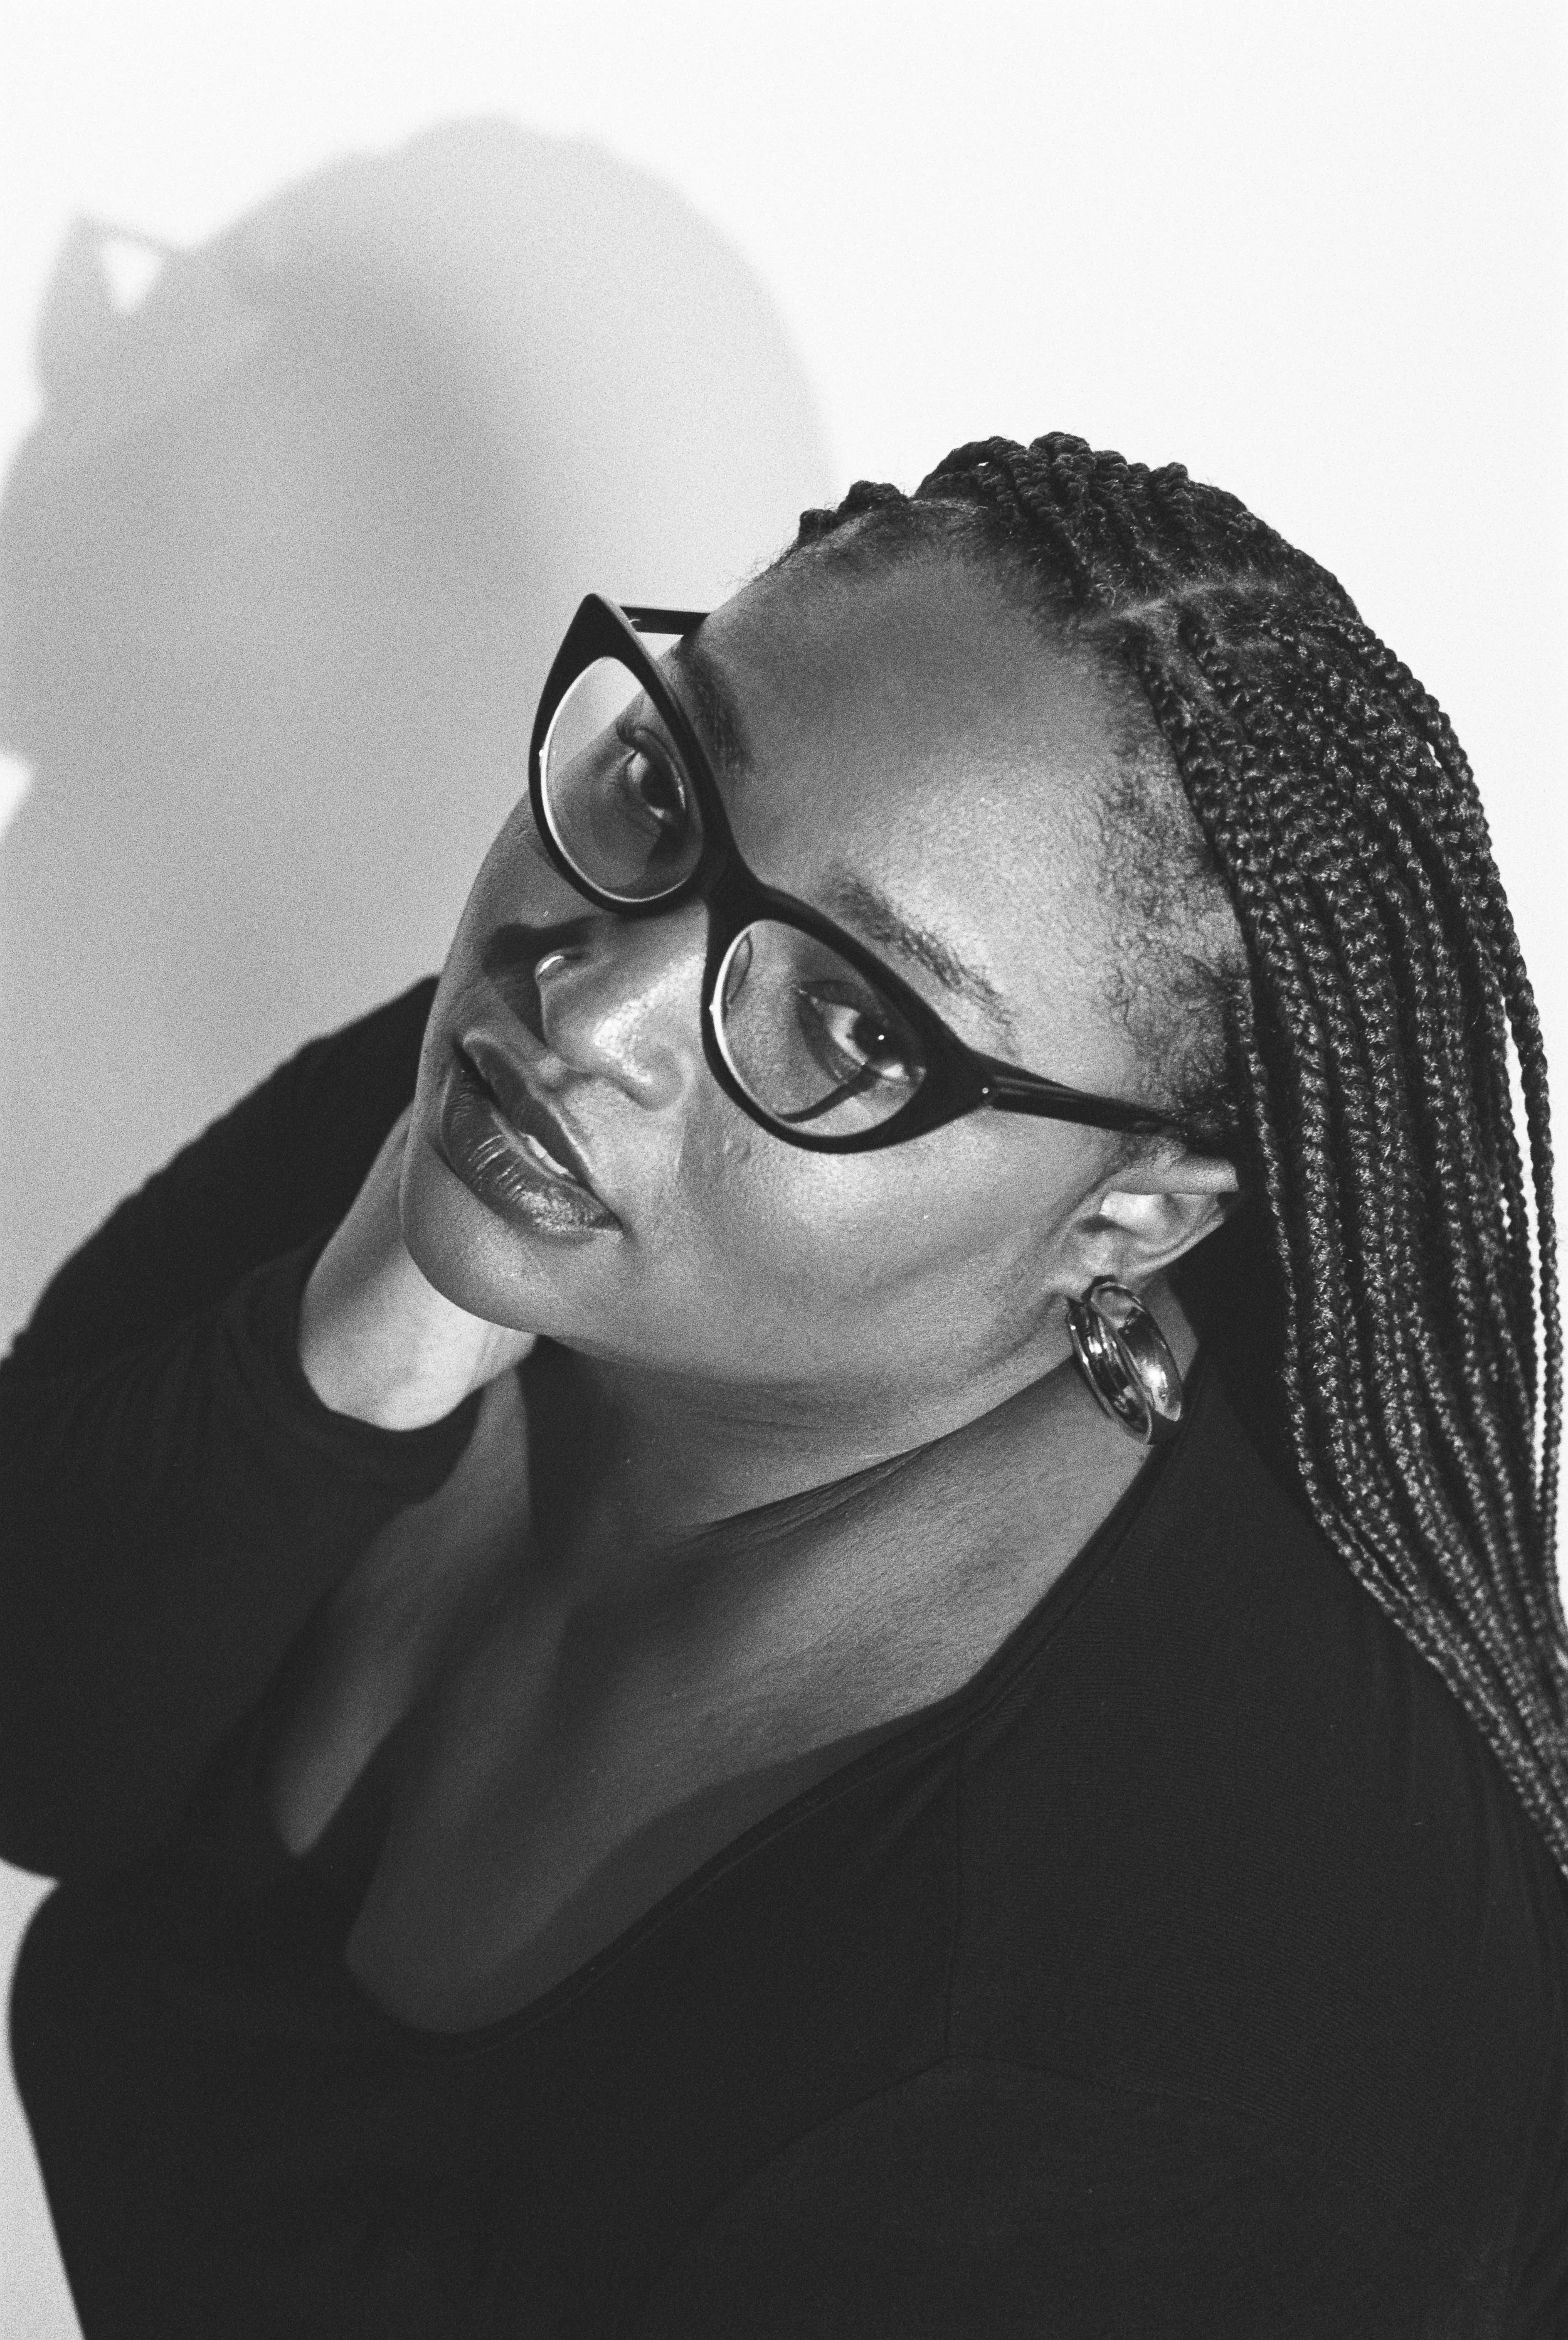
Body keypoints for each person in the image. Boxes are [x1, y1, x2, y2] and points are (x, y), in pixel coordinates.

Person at [3, 432, 1565, 2336]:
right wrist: (369, 1338)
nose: (588, 1010)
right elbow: (41, 1728)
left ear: (1132, 1217)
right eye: (662, 787)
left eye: (847, 1021)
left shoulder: (1124, 2074)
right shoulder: (514, 1146)